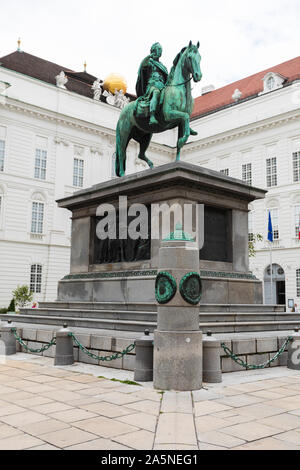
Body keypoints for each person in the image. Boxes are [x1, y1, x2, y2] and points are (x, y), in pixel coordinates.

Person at [136, 42, 168, 126]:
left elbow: (167, 78)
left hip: (163, 86)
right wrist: (149, 56)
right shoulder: (149, 62)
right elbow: (143, 66)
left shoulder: (163, 66)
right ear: (153, 50)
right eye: (158, 49)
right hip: (152, 86)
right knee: (156, 92)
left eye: (161, 50)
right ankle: (152, 116)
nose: (160, 52)